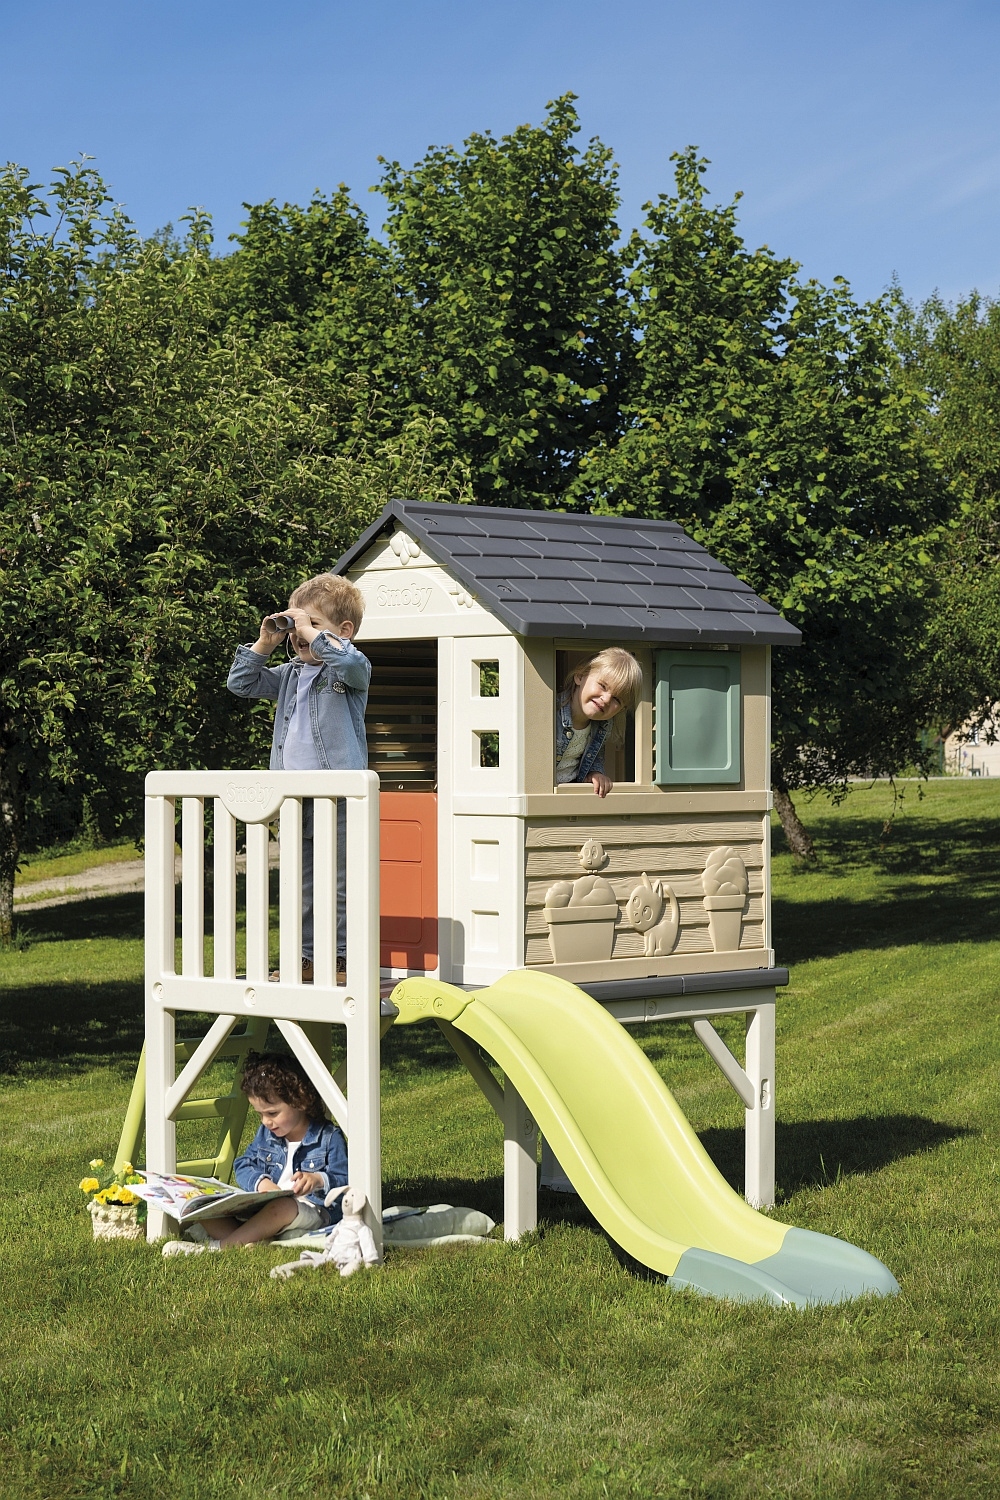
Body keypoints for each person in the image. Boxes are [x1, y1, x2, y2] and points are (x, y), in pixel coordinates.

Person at [227, 573, 370, 983]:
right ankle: (306, 958)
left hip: (338, 796)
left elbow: (350, 663)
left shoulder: (350, 671)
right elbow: (241, 683)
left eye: (312, 624)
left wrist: (312, 635)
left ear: (344, 631)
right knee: (300, 883)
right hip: (292, 798)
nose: (298, 634)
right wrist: (266, 642)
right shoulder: (289, 674)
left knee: (339, 882)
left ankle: (340, 958)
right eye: (295, 625)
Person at [162, 1051, 348, 1256]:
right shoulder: (267, 1134)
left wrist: (318, 1179)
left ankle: (220, 1247)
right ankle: (253, 1240)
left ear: (300, 1101)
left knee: (282, 1207)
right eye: (260, 1114)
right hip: (264, 1209)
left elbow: (345, 1178)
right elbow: (243, 1164)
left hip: (310, 1210)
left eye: (272, 1113)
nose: (266, 1121)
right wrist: (261, 1183)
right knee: (204, 1208)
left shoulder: (329, 1137)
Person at [555, 647, 643, 797]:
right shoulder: (551, 713)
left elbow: (594, 756)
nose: (606, 699)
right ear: (580, 676)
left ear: (621, 709)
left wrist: (595, 773)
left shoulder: (603, 726)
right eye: (602, 686)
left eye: (616, 699)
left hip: (569, 792)